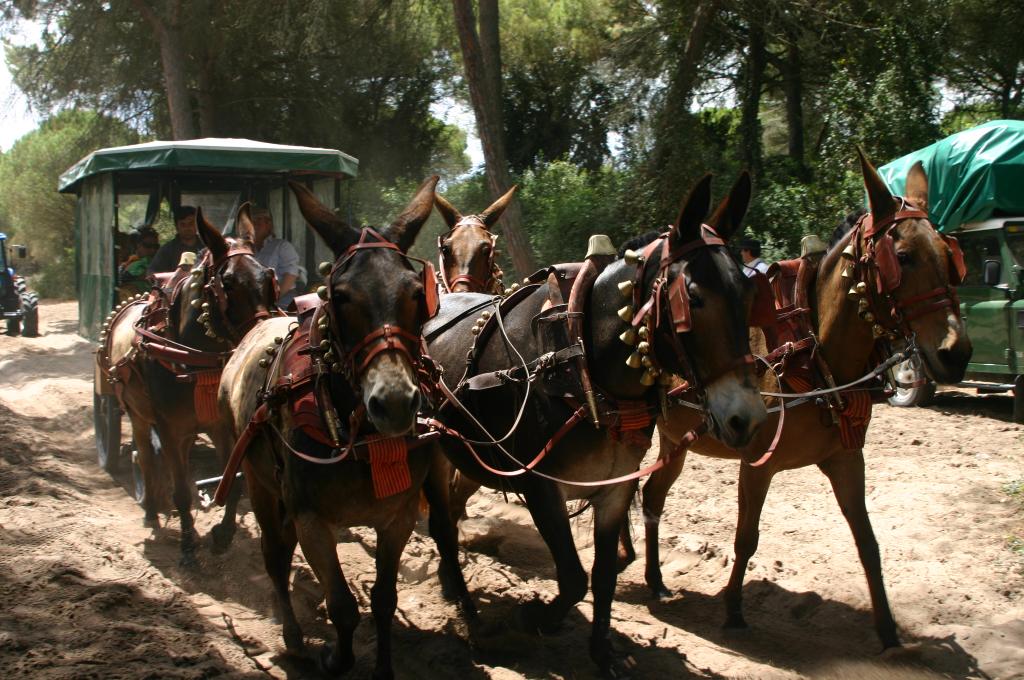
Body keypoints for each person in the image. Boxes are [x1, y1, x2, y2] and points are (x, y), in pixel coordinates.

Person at [250, 207, 300, 307]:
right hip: (255, 302)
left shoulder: (282, 246)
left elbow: (291, 275)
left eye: (259, 220)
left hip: (283, 301)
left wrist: (272, 299)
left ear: (269, 224)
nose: (255, 224)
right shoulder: (246, 248)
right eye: (252, 221)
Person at [148, 206, 200, 274]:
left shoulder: (208, 248)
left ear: (197, 224)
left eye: (191, 223)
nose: (187, 228)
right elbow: (152, 273)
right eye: (183, 225)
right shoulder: (167, 250)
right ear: (177, 226)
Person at [118, 226, 160, 296]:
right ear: (137, 245)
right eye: (147, 246)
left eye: (156, 247)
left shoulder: (158, 264)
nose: (153, 250)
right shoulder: (128, 264)